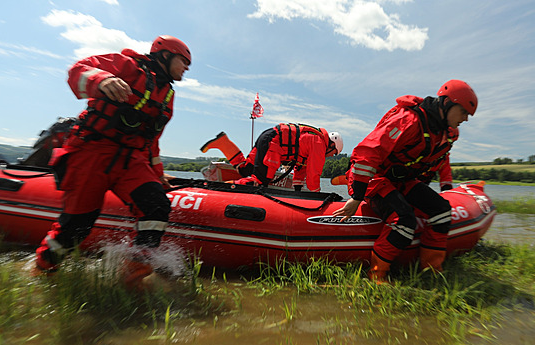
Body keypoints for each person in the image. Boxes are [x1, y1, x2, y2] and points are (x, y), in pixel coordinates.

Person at [34, 35, 191, 290]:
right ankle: (42, 271)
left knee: (156, 206)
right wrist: (103, 79)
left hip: (130, 159)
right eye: (184, 61)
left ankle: (130, 278)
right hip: (91, 151)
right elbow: (78, 70)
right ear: (165, 55)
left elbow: (152, 140)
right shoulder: (126, 65)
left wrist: (158, 174)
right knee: (76, 227)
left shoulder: (167, 95)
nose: (186, 68)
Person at [332, 80, 478, 282]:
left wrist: (443, 188)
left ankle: (431, 271)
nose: (466, 119)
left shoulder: (442, 133)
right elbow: (368, 152)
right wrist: (356, 196)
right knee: (403, 219)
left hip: (400, 181)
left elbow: (440, 162)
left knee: (442, 210)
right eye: (463, 112)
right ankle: (376, 274)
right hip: (375, 178)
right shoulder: (409, 120)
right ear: (447, 104)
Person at [200, 123, 343, 192]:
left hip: (268, 137)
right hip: (273, 144)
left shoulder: (312, 142)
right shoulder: (319, 144)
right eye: (334, 153)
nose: (331, 156)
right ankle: (217, 189)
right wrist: (317, 196)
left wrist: (298, 191)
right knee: (259, 181)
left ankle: (224, 143)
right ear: (331, 145)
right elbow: (314, 174)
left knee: (245, 170)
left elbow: (301, 171)